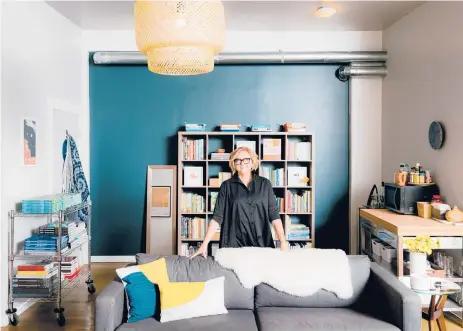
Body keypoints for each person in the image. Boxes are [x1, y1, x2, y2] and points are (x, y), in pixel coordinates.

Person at [190, 146, 289, 258]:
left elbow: (274, 215)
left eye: (246, 159)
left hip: (262, 244)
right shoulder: (226, 186)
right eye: (238, 160)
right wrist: (204, 244)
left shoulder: (265, 184)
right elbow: (217, 217)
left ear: (252, 162)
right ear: (233, 163)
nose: (242, 163)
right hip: (234, 246)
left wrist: (283, 241)